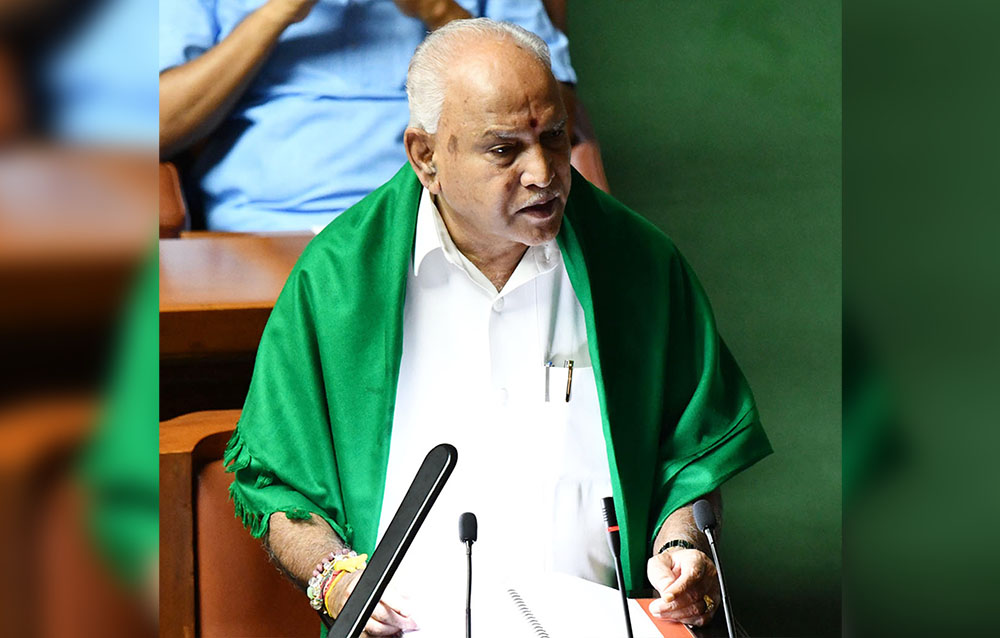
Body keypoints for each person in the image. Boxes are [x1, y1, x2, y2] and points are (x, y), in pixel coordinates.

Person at [225, 18, 772, 636]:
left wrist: (681, 547)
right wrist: (334, 577)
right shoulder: (339, 280)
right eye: (504, 150)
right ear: (426, 157)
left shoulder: (639, 264)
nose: (543, 172)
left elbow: (688, 460)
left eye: (555, 137)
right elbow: (280, 484)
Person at [159, 0, 579, 231]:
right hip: (261, 228)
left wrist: (436, 9)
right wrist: (279, 11)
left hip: (436, 228)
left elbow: (558, 116)